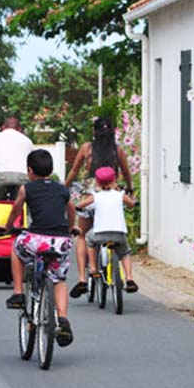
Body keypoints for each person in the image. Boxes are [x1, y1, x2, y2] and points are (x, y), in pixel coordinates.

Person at [0, 149, 79, 347]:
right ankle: (63, 318)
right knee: (58, 279)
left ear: (30, 171)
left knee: (16, 248)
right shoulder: (62, 189)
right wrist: (70, 228)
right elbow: (71, 210)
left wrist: (7, 227)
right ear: (51, 170)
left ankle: (18, 292)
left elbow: (16, 208)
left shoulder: (27, 189)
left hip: (36, 239)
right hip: (59, 241)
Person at [65, 118, 133, 296]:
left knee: (81, 235)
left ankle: (81, 278)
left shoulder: (87, 148)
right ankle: (127, 275)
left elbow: (74, 170)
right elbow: (126, 172)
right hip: (113, 189)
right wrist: (130, 188)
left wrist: (64, 186)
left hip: (90, 193)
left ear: (94, 132)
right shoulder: (117, 150)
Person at [76, 167, 139, 295]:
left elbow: (80, 205)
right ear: (114, 180)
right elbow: (131, 204)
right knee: (125, 252)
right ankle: (129, 277)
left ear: (97, 183)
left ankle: (93, 268)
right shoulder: (121, 195)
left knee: (88, 239)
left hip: (100, 234)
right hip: (119, 234)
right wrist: (134, 202)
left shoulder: (95, 196)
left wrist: (80, 208)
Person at [0, 117, 34, 200]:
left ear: (3, 127)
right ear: (19, 129)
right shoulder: (28, 141)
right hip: (22, 177)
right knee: (20, 204)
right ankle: (20, 210)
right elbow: (32, 166)